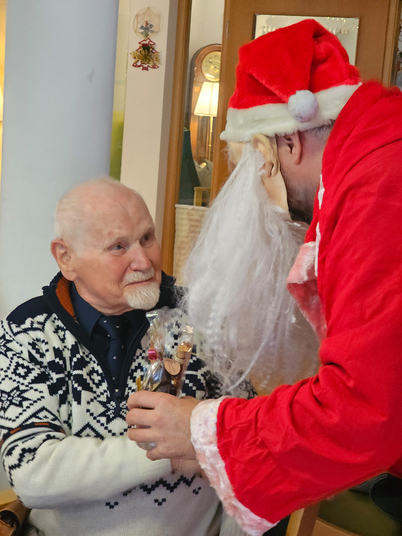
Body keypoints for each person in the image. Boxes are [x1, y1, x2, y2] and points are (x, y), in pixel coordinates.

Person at [125, 19, 402, 536]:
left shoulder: (377, 188)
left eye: (261, 160)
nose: (265, 182)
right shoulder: (378, 158)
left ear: (289, 140)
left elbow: (366, 407)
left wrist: (200, 429)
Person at [0, 177, 242, 536]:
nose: (143, 260)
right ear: (66, 258)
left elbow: (246, 451)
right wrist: (177, 452)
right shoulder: (28, 332)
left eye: (147, 238)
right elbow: (33, 474)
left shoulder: (203, 318)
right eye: (118, 247)